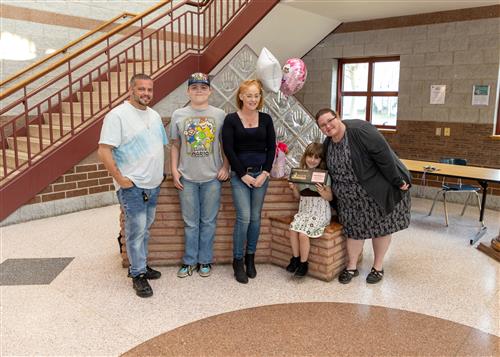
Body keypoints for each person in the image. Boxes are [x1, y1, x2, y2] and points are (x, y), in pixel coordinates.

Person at [315, 108, 411, 284]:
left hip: (372, 194)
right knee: (353, 231)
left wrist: (397, 180)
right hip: (348, 199)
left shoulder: (361, 131)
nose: (328, 126)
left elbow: (385, 157)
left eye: (330, 121)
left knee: (380, 229)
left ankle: (378, 267)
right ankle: (351, 267)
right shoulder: (328, 143)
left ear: (338, 116)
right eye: (323, 125)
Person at [98, 73, 168, 298]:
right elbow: (104, 150)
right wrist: (120, 179)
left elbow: (159, 146)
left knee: (144, 229)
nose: (146, 93)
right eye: (141, 89)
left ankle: (142, 265)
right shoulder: (117, 115)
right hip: (132, 186)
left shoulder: (155, 115)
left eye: (149, 89)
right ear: (131, 90)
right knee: (136, 231)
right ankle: (137, 274)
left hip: (153, 184)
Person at [170, 72, 229, 279]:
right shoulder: (178, 115)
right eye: (194, 87)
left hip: (212, 177)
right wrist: (174, 170)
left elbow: (225, 144)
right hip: (187, 177)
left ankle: (205, 260)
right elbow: (175, 145)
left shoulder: (220, 115)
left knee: (208, 222)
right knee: (190, 223)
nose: (199, 91)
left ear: (210, 91)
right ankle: (189, 261)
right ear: (188, 91)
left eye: (203, 87)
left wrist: (225, 166)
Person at [222, 79, 276, 284]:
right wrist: (242, 173)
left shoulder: (266, 119)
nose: (253, 99)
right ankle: (237, 261)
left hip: (261, 175)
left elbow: (271, 148)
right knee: (243, 218)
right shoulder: (231, 120)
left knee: (255, 218)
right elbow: (229, 149)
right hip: (239, 176)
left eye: (256, 95)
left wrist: (265, 173)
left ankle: (250, 258)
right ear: (241, 96)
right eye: (249, 95)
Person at [286, 142, 333, 278]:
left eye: (316, 157)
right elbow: (297, 196)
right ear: (305, 156)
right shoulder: (299, 174)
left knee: (303, 233)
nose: (312, 160)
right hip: (304, 210)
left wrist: (322, 191)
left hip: (320, 212)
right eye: (310, 156)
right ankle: (295, 258)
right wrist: (294, 187)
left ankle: (303, 263)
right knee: (293, 229)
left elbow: (329, 197)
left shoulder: (324, 176)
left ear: (321, 160)